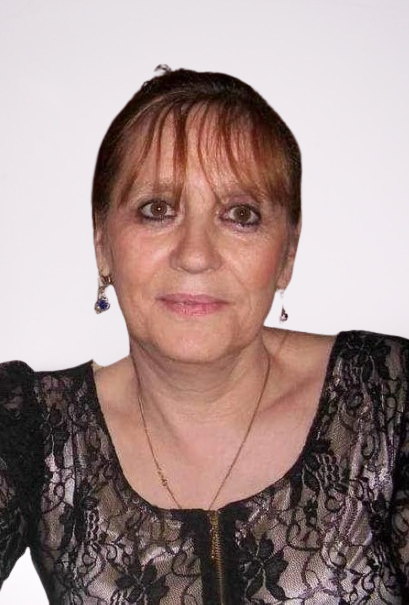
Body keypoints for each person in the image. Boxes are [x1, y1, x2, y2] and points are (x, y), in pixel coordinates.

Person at [0, 67, 408, 604]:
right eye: (157, 210)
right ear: (102, 243)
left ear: (287, 254)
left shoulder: (388, 401)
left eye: (240, 215)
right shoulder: (31, 428)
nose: (195, 254)